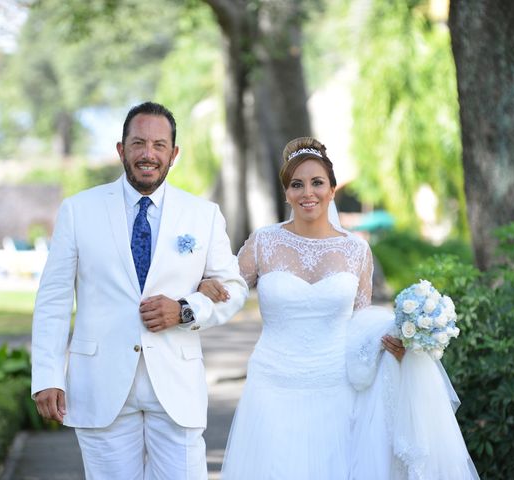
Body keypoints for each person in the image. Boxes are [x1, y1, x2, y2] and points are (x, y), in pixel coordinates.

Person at [200, 137, 478, 480]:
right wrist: (205, 286)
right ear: (286, 193)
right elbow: (230, 288)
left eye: (317, 183)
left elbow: (360, 321)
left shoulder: (356, 251)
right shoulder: (264, 242)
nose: (308, 193)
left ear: (332, 190)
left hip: (335, 386)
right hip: (272, 384)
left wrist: (395, 341)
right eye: (297, 185)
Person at [31, 101, 248, 480]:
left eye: (159, 145)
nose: (149, 154)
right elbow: (53, 300)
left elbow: (235, 288)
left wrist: (184, 308)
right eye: (139, 143)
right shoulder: (78, 210)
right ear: (121, 149)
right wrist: (48, 375)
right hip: (100, 384)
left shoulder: (203, 214)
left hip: (176, 386)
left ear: (174, 154)